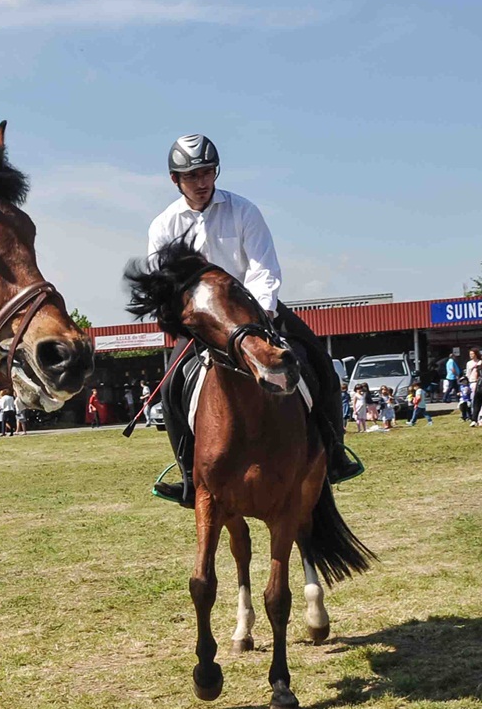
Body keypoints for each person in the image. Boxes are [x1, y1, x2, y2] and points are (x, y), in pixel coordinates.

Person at [145, 133, 359, 506]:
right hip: (204, 324)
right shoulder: (163, 226)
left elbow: (263, 269)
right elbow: (165, 284)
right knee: (169, 389)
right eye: (192, 175)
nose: (201, 182)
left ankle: (335, 452)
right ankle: (186, 475)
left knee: (321, 363)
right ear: (175, 179)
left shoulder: (244, 211)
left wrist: (255, 323)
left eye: (207, 172)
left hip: (256, 314)